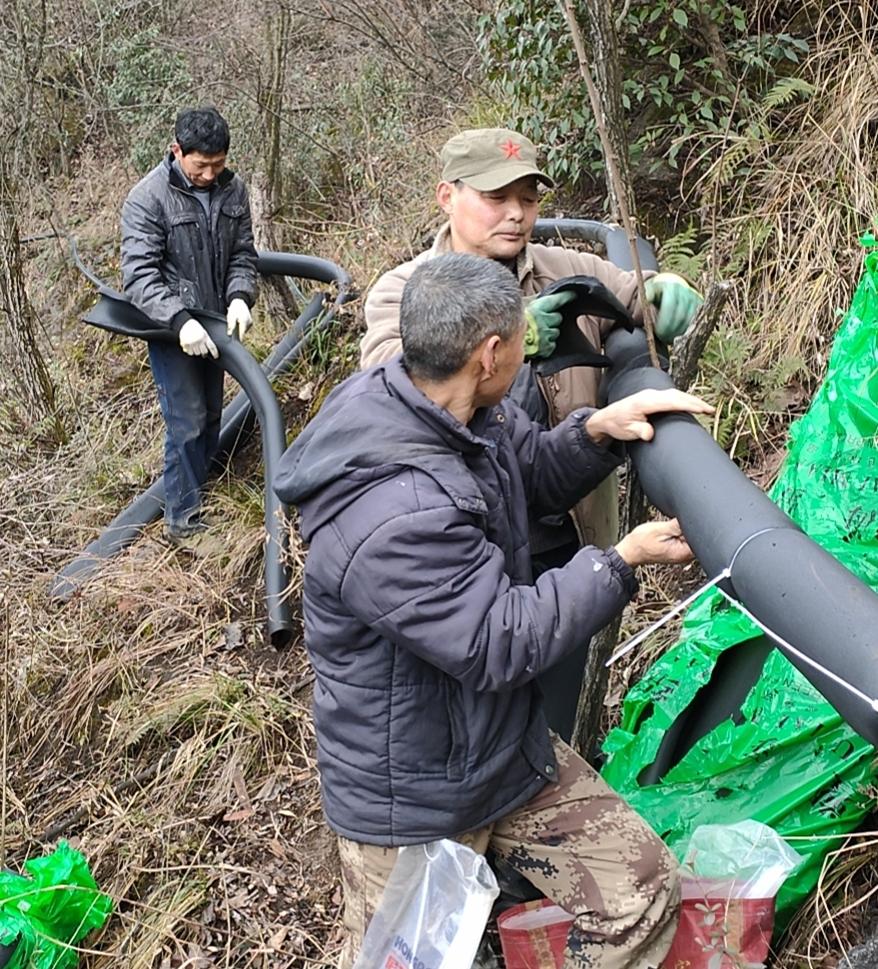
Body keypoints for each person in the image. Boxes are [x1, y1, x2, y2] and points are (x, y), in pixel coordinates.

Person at [275, 253, 714, 968]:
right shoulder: (398, 509)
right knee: (409, 958)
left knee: (637, 892)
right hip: (410, 795)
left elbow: (530, 472)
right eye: (522, 339)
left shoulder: (459, 406)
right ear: (491, 353)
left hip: (498, 747)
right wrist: (620, 560)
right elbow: (497, 638)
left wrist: (600, 429)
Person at [360, 127, 704, 739]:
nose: (516, 214)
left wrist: (662, 290)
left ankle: (565, 767)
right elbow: (391, 383)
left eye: (528, 197)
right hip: (463, 544)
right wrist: (502, 339)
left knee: (562, 693)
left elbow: (631, 294)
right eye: (497, 197)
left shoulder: (561, 270)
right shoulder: (405, 292)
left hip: (563, 529)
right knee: (478, 702)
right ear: (447, 196)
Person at [121, 106, 258, 544]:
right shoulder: (148, 198)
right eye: (201, 166)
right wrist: (179, 320)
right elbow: (139, 276)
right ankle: (183, 521)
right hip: (171, 331)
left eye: (217, 165)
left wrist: (240, 296)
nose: (209, 175)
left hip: (216, 325)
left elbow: (242, 254)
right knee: (188, 421)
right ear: (177, 150)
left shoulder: (232, 190)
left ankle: (201, 492)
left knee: (213, 416)